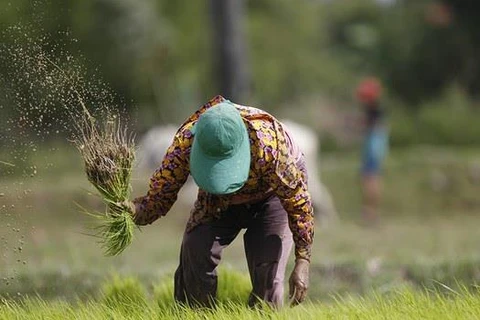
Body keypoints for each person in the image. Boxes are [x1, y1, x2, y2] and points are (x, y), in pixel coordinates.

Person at [124, 95, 314, 308]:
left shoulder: (269, 145)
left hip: (271, 197)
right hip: (217, 200)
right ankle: (197, 313)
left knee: (269, 273)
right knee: (196, 248)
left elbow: (298, 203)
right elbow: (160, 196)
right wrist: (133, 210)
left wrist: (302, 260)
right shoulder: (186, 142)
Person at [356, 78, 389, 225]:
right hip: (376, 147)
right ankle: (371, 212)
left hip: (372, 147)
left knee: (370, 179)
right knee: (373, 178)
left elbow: (369, 129)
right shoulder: (378, 111)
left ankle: (370, 213)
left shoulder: (372, 112)